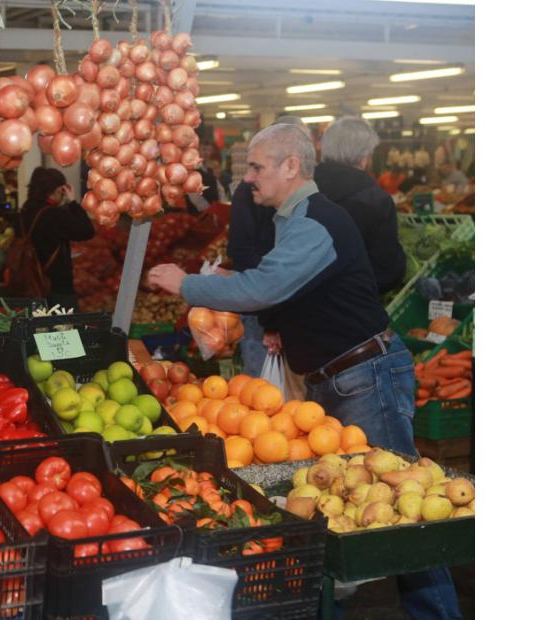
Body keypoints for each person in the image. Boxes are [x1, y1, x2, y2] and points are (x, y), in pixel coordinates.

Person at [147, 123, 463, 620]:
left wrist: (187, 286)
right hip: (338, 377)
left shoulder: (316, 221)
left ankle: (440, 614)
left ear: (291, 166)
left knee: (409, 517)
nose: (248, 178)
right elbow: (289, 287)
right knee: (334, 502)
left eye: (257, 167)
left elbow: (265, 288)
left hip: (366, 375)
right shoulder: (293, 220)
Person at [225, 116, 308, 377]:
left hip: (284, 301)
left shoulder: (301, 193)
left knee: (294, 391)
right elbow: (241, 252)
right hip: (261, 303)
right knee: (262, 386)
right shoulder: (251, 190)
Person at [314, 117, 407, 295]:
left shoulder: (300, 190)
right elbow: (387, 271)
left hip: (301, 303)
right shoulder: (374, 200)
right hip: (352, 304)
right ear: (364, 158)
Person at [19, 168, 95, 310]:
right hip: (57, 286)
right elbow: (87, 231)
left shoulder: (25, 211)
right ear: (60, 190)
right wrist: (72, 202)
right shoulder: (54, 215)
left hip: (30, 282)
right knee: (66, 329)